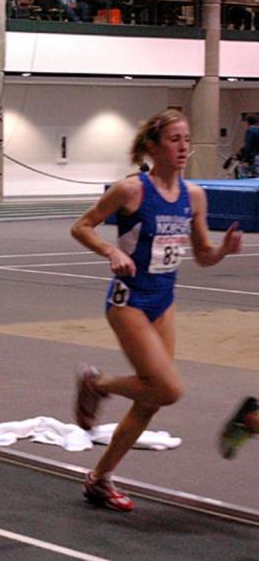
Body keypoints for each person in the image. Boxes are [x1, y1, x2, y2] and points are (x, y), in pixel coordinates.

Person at [70, 109, 243, 512]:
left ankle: (99, 479)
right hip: (128, 300)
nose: (184, 147)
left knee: (150, 400)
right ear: (153, 145)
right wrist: (110, 249)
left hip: (164, 301)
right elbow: (82, 226)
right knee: (169, 389)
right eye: (175, 140)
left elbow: (201, 256)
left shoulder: (194, 195)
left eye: (187, 140)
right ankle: (98, 385)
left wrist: (222, 251)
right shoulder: (131, 190)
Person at [238, 113, 259, 179]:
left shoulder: (250, 131)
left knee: (243, 171)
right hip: (257, 155)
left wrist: (245, 159)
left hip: (253, 156)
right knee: (257, 175)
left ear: (247, 122)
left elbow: (248, 145)